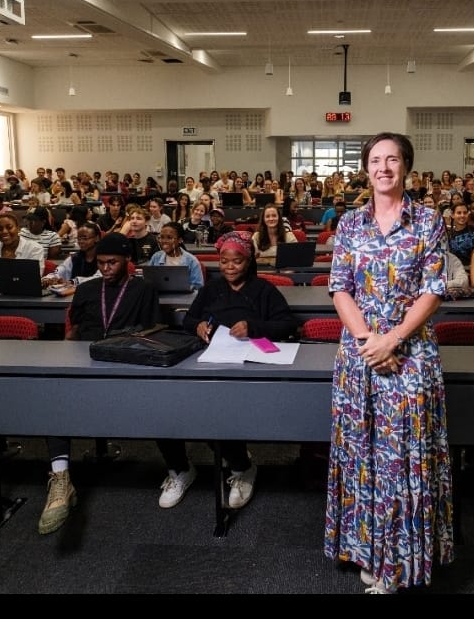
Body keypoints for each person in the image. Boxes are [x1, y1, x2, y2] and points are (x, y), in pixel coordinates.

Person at [324, 132, 453, 595]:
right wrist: (367, 341)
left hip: (411, 352)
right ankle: (365, 548)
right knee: (362, 454)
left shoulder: (429, 221)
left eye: (392, 159)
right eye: (375, 160)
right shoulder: (350, 224)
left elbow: (434, 289)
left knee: (402, 459)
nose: (383, 167)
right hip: (359, 353)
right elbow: (339, 287)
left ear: (406, 167)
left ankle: (398, 559)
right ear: (365, 169)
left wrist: (394, 338)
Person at [160, 231, 295, 510]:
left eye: (237, 262)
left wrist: (253, 327)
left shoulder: (264, 290)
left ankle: (241, 467)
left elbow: (286, 324)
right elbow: (190, 319)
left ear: (248, 261)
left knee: (219, 408)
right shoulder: (211, 289)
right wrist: (196, 325)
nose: (229, 267)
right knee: (167, 399)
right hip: (210, 357)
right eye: (224, 262)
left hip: (251, 362)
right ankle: (184, 467)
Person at [37, 233, 161, 535]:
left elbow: (154, 330)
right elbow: (74, 329)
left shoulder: (143, 289)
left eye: (113, 263)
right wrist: (63, 358)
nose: (105, 268)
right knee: (54, 400)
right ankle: (61, 478)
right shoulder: (87, 289)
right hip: (86, 358)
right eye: (102, 263)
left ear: (126, 262)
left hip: (124, 360)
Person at [42, 221, 101, 293]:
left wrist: (73, 282)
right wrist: (48, 278)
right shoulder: (74, 258)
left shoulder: (104, 258)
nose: (81, 241)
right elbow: (60, 270)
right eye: (79, 238)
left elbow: (99, 278)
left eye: (85, 238)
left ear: (97, 238)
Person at [146, 222, 205, 291]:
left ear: (180, 240)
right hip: (159, 297)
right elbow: (148, 281)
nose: (164, 241)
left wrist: (188, 288)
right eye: (161, 237)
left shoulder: (191, 261)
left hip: (184, 299)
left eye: (169, 238)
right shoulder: (156, 257)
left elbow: (199, 287)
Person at [447, 202, 474, 267]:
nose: (462, 215)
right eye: (459, 213)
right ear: (452, 215)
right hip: (457, 271)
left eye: (465, 213)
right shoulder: (449, 235)